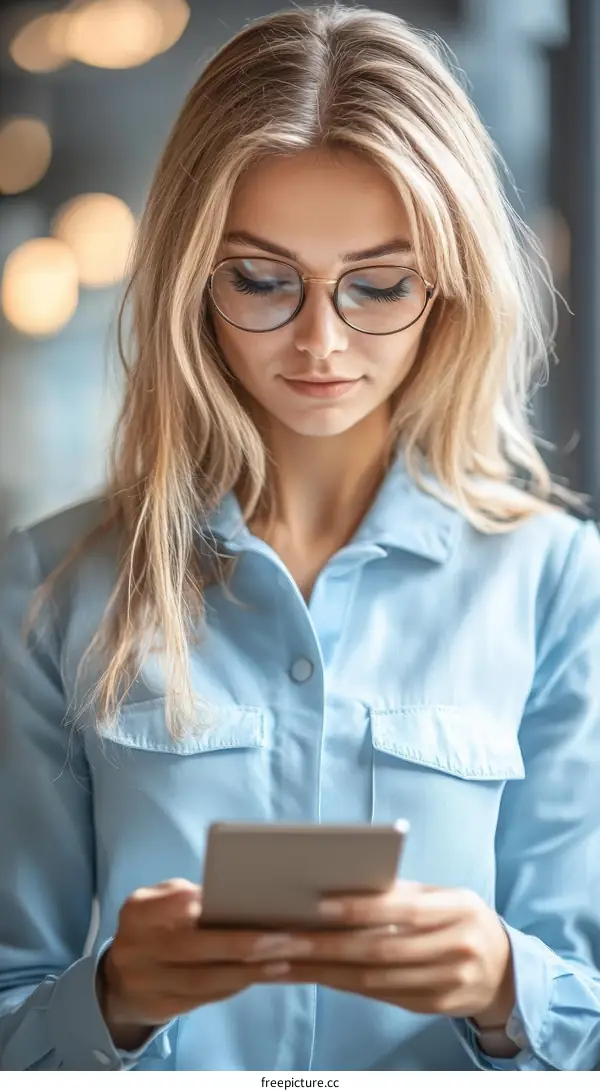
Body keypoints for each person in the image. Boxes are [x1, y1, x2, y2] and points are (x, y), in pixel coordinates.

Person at [1, 2, 600, 1074]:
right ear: (193, 283)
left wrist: (508, 981)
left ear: (449, 288)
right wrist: (114, 997)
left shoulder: (560, 582)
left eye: (380, 284)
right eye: (262, 281)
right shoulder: (46, 586)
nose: (321, 341)